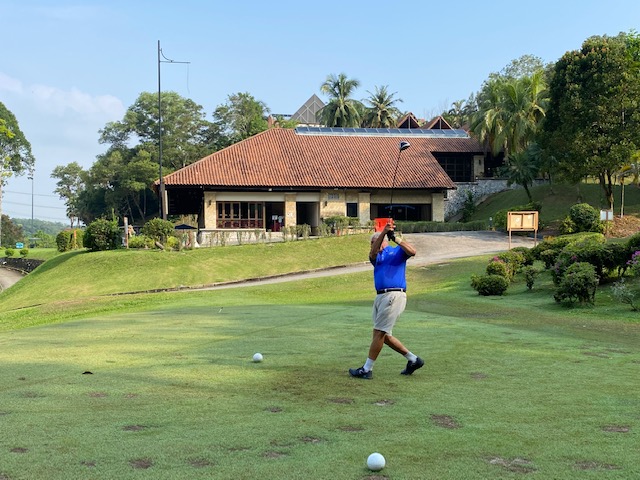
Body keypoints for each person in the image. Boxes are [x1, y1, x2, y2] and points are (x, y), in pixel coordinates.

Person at [349, 222, 424, 379]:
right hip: (380, 297)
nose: (373, 245)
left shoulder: (397, 251)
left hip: (393, 295)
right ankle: (413, 359)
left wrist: (395, 238)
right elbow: (372, 252)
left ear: (384, 241)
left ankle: (367, 369)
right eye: (372, 243)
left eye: (375, 242)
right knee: (384, 336)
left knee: (379, 333)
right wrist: (383, 232)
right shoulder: (375, 257)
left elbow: (413, 251)